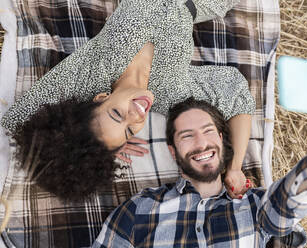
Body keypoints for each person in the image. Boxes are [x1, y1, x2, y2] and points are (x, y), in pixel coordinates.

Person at [91, 58, 307, 247]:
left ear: (223, 141)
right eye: (187, 136)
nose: (201, 143)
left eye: (208, 131)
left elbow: (295, 196)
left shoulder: (255, 207)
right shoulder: (140, 209)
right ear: (173, 152)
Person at [0, 0, 255, 201]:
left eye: (116, 115)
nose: (136, 115)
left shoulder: (90, 71)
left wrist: (98, 146)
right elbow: (235, 91)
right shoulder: (171, 93)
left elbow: (16, 120)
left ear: (100, 98)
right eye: (130, 130)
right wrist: (234, 167)